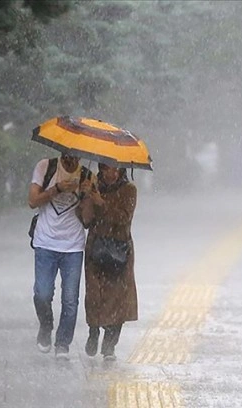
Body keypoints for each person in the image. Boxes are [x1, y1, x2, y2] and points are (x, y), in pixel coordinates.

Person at [28, 153, 94, 359]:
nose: (72, 160)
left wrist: (87, 196)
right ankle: (46, 325)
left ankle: (63, 343)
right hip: (45, 243)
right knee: (42, 293)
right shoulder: (45, 166)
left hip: (73, 246)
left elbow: (88, 220)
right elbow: (32, 201)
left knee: (70, 299)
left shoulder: (87, 175)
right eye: (68, 155)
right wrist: (57, 189)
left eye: (76, 156)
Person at [80, 163, 138, 361]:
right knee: (95, 293)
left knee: (118, 298)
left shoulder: (129, 189)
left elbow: (123, 217)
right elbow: (85, 220)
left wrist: (101, 202)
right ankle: (94, 331)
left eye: (115, 169)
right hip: (96, 247)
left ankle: (109, 344)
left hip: (119, 249)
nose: (111, 173)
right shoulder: (94, 185)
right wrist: (87, 197)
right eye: (106, 169)